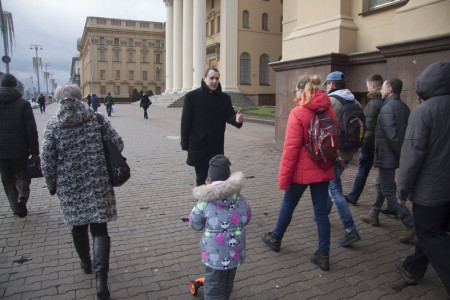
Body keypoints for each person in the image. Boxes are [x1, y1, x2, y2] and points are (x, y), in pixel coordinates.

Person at [41, 84, 124, 300]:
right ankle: (101, 281)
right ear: (80, 98)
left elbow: (47, 162)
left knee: (78, 226)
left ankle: (86, 263)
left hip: (69, 186)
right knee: (99, 230)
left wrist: (52, 185)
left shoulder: (53, 125)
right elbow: (118, 143)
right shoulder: (96, 119)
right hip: (98, 182)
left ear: (59, 100)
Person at [261, 75, 335, 271]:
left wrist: (283, 178)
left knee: (288, 205)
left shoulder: (298, 112)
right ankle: (323, 254)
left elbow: (291, 149)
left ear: (302, 92)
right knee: (321, 213)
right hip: (324, 166)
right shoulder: (329, 109)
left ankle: (276, 238)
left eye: (296, 91)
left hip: (302, 170)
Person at [394, 61, 450, 296]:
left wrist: (402, 189)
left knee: (431, 233)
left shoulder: (423, 112)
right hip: (445, 190)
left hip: (431, 191)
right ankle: (412, 268)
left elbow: (411, 156)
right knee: (432, 230)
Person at [359, 79, 415, 243]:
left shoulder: (387, 108)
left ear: (390, 89)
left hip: (387, 156)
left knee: (389, 190)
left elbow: (391, 136)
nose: (381, 90)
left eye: (383, 87)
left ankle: (410, 223)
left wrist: (400, 156)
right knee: (380, 184)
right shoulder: (403, 107)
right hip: (392, 155)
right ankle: (374, 214)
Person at [189, 154, 251, 299]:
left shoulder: (204, 202)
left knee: (213, 284)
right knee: (228, 279)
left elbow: (195, 224)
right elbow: (246, 218)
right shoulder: (240, 199)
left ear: (209, 179)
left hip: (214, 253)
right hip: (235, 251)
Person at [180, 67, 244, 186]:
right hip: (199, 147)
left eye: (217, 78)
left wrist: (236, 119)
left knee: (217, 181)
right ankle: (202, 204)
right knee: (201, 180)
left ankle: (215, 204)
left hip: (216, 148)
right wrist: (185, 144)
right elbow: (185, 123)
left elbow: (229, 115)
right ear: (204, 79)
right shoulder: (191, 97)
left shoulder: (224, 98)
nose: (214, 81)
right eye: (211, 78)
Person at [322, 71, 361, 247]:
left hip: (334, 154)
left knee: (335, 189)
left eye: (326, 84)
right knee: (333, 185)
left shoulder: (331, 102)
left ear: (330, 84)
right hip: (348, 152)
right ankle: (322, 213)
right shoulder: (356, 101)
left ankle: (350, 229)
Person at [0, 74, 39, 218]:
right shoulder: (22, 103)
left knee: (7, 179)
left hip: (1, 152)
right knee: (22, 176)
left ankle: (14, 206)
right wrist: (35, 151)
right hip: (19, 150)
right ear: (14, 86)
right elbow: (31, 129)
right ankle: (22, 197)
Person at [345, 74, 386, 205]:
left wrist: (363, 147)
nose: (367, 89)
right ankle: (391, 206)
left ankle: (353, 196)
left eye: (367, 86)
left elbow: (368, 129)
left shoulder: (372, 104)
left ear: (373, 86)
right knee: (385, 177)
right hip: (382, 145)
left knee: (362, 171)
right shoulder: (386, 102)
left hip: (370, 145)